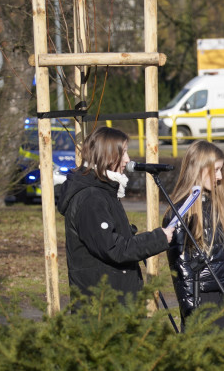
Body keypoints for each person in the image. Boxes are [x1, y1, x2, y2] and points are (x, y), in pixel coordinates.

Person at [56, 125, 174, 302]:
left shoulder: (104, 191)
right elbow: (114, 249)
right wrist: (158, 238)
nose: (127, 159)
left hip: (114, 301)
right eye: (123, 152)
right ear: (107, 155)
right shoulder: (90, 198)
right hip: (102, 308)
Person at [164, 141, 224, 334]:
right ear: (198, 169)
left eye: (221, 170)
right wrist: (191, 308)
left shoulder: (215, 205)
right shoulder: (181, 211)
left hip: (222, 297)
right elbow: (180, 266)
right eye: (215, 170)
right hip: (199, 299)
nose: (220, 177)